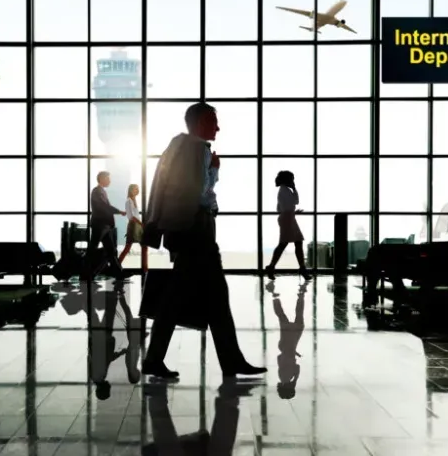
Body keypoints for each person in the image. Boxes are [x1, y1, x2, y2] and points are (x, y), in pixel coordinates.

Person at [141, 102, 266, 379]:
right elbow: (199, 192)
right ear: (200, 123)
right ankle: (231, 361)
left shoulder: (176, 147)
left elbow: (173, 189)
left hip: (181, 229)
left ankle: (156, 359)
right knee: (212, 295)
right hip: (196, 229)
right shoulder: (199, 149)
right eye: (213, 121)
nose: (217, 127)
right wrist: (214, 170)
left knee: (192, 297)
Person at [264, 171, 311, 281]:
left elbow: (284, 207)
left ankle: (272, 267)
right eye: (292, 179)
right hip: (288, 219)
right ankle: (272, 267)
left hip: (288, 218)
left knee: (292, 243)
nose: (293, 181)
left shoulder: (283, 190)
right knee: (287, 244)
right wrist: (294, 189)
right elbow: (295, 202)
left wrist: (292, 211)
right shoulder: (284, 190)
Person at [87, 171, 125, 279]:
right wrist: (118, 211)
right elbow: (104, 207)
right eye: (108, 178)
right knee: (93, 249)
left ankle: (119, 274)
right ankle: (86, 273)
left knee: (111, 251)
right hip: (100, 225)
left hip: (105, 226)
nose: (109, 181)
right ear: (102, 179)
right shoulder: (97, 191)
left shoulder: (102, 191)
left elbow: (105, 207)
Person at [117, 183, 144, 264]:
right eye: (135, 189)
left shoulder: (133, 200)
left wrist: (140, 224)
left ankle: (145, 268)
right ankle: (117, 265)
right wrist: (141, 224)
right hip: (133, 226)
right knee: (127, 248)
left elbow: (135, 215)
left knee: (143, 246)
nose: (137, 190)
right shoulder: (129, 201)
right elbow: (131, 216)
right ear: (131, 190)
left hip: (137, 226)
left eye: (138, 189)